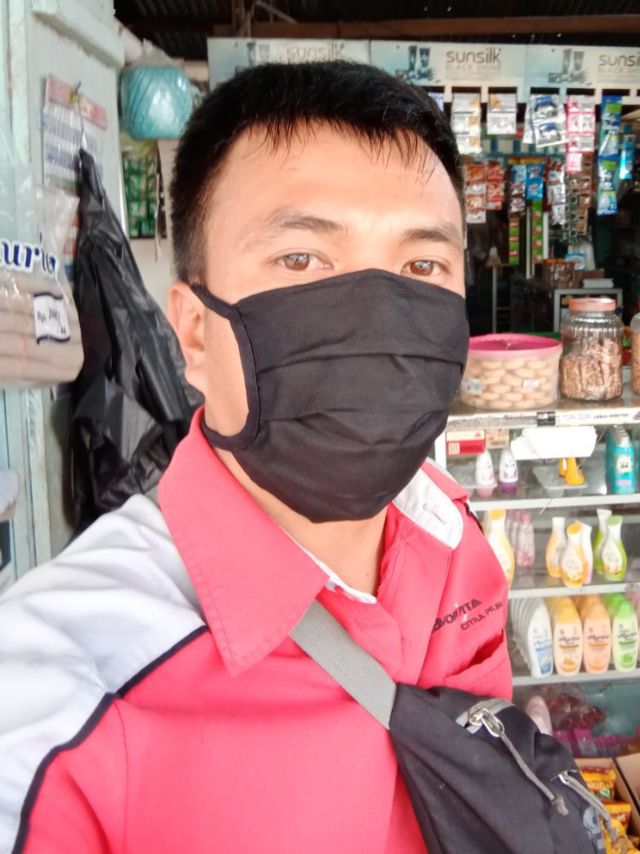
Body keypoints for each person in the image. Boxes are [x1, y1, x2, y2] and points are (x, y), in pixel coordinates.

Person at [0, 61, 510, 853]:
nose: (376, 318)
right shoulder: (67, 696)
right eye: (301, 260)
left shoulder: (454, 536)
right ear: (194, 334)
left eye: (422, 267)